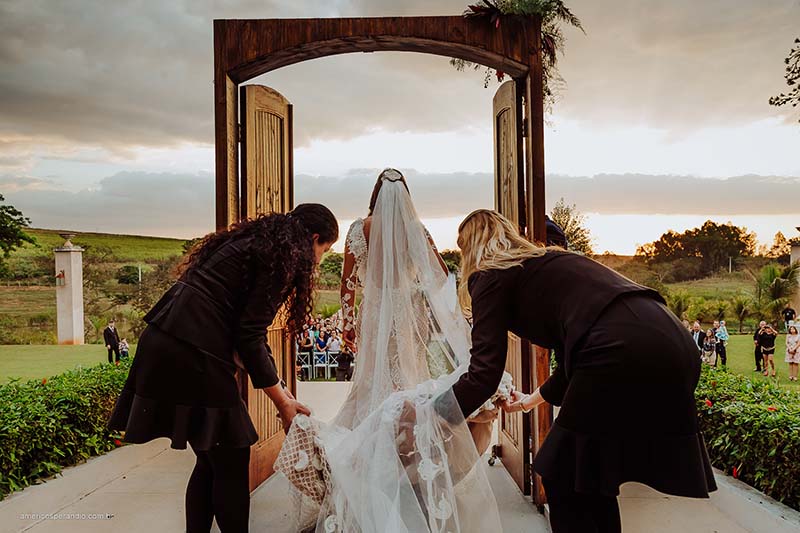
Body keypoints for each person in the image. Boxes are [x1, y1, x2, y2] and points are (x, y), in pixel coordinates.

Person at [450, 209, 716, 533]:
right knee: (586, 475)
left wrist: (433, 415)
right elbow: (573, 362)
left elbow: (483, 374)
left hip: (619, 349)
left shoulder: (490, 274)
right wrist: (529, 401)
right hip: (675, 344)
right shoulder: (550, 264)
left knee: (562, 470)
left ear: (471, 247)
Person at [275, 169, 503, 532]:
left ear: (375, 195)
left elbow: (348, 285)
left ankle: (363, 473)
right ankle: (411, 473)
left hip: (375, 315)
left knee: (369, 385)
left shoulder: (356, 230)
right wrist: (453, 317)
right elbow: (441, 275)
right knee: (409, 384)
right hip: (408, 315)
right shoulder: (416, 229)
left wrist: (349, 324)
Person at [107, 204, 338, 533]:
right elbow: (249, 337)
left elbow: (242, 337)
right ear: (313, 238)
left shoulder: (252, 245)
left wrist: (282, 390)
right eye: (324, 251)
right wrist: (283, 404)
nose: (318, 260)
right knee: (231, 456)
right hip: (191, 351)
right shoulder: (280, 260)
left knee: (210, 458)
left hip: (166, 340)